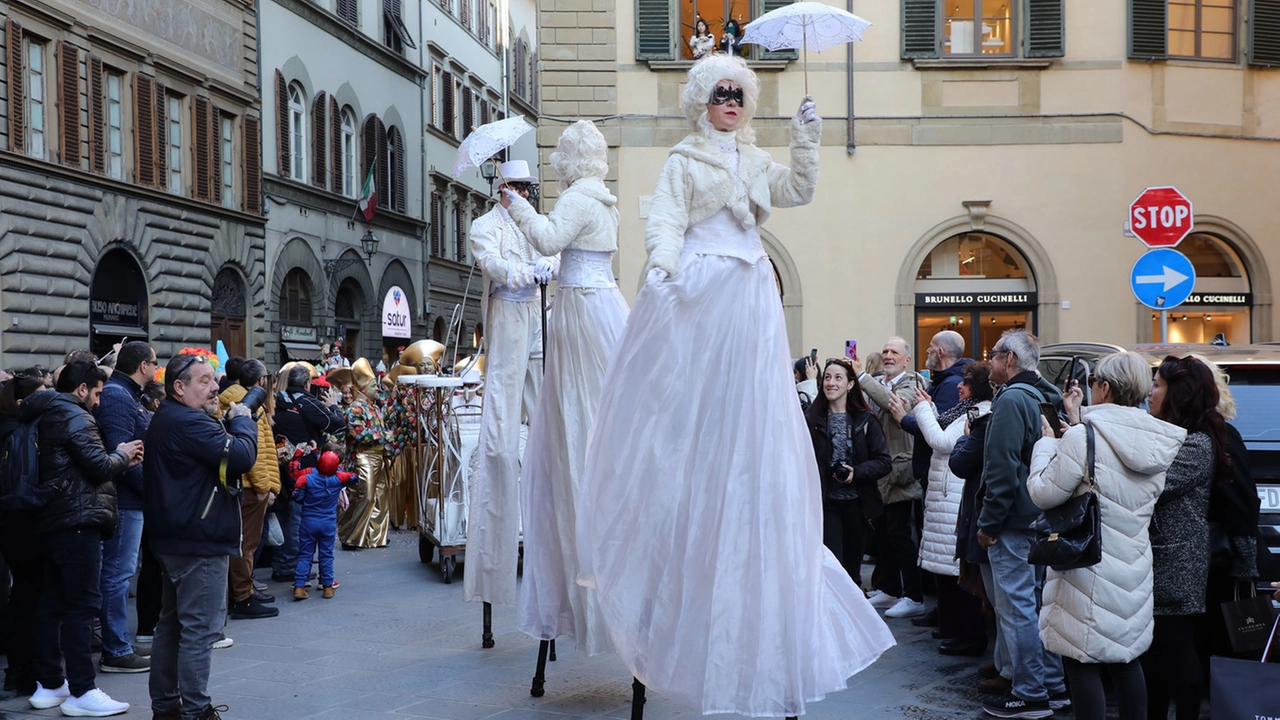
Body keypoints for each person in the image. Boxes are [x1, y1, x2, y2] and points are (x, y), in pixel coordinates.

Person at [576, 53, 894, 716]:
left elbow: (799, 191)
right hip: (702, 285)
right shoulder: (684, 160)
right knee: (693, 418)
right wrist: (663, 267)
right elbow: (662, 220)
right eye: (720, 92)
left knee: (754, 426)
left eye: (738, 93)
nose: (730, 101)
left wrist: (806, 137)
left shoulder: (753, 161)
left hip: (750, 292)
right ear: (701, 99)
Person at [502, 119, 630, 653]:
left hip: (579, 307)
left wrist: (518, 208)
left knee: (577, 411)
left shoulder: (579, 197)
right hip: (603, 301)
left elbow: (551, 239)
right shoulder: (608, 199)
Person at [1028, 352, 1187, 720]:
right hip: (1132, 563)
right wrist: (1076, 422)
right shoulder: (1157, 440)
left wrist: (1047, 444)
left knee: (1081, 659)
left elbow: (1042, 492)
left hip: (1088, 563)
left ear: (1103, 387)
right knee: (1126, 659)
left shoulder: (1083, 438)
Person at [25, 360, 143, 716]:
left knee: (51, 603)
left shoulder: (44, 411)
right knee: (81, 605)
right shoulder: (76, 416)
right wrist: (124, 454)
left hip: (53, 517)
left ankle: (49, 684)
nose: (99, 401)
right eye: (97, 392)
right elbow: (98, 466)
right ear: (81, 390)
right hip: (78, 519)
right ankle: (82, 690)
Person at [144, 352, 258, 720]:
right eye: (205, 381)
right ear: (179, 387)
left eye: (215, 379)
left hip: (175, 535)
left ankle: (166, 707)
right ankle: (196, 710)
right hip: (198, 539)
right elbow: (241, 457)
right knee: (200, 629)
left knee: (173, 624)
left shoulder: (169, 417)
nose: (215, 388)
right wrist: (243, 423)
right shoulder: (190, 423)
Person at [466, 158, 556, 608]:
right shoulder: (484, 225)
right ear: (503, 188)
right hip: (507, 315)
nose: (524, 192)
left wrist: (547, 267)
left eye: (528, 186)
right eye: (517, 185)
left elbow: (552, 248)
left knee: (544, 403)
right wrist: (526, 273)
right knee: (500, 422)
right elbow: (496, 266)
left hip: (538, 317)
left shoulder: (534, 221)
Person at [976, 329, 1069, 718]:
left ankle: (1030, 693)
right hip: (1038, 515)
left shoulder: (1013, 399)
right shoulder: (1043, 395)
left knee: (1017, 610)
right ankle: (1053, 686)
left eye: (995, 355)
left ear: (1010, 361)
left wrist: (989, 524)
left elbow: (1001, 468)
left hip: (1014, 521)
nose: (990, 362)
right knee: (1035, 605)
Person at [1140, 355, 1231, 720]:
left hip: (1177, 560)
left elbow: (1153, 487)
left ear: (1178, 393)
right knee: (1158, 656)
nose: (1150, 392)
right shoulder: (1168, 434)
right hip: (1160, 557)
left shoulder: (1197, 443)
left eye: (1158, 386)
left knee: (1178, 653)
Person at [905, 361, 992, 657]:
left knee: (957, 574)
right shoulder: (962, 411)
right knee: (946, 572)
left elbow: (941, 441)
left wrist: (923, 409)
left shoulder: (979, 412)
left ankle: (966, 634)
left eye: (966, 382)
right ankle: (952, 627)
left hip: (953, 496)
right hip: (945, 497)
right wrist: (930, 408)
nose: (958, 385)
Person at [91, 340, 157, 674]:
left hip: (130, 500)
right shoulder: (118, 395)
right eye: (154, 363)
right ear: (143, 365)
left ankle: (116, 644)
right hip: (125, 501)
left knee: (118, 573)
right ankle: (116, 649)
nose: (156, 369)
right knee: (117, 573)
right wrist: (152, 491)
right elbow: (123, 455)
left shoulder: (123, 393)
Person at [856, 337, 926, 619]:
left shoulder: (912, 384)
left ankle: (914, 596)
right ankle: (890, 589)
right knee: (883, 535)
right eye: (885, 351)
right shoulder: (879, 383)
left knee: (900, 535)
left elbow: (892, 405)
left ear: (906, 360)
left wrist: (861, 376)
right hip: (880, 471)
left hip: (899, 473)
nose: (887, 356)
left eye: (893, 352)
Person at [805, 357, 891, 586]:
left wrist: (857, 472)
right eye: (827, 377)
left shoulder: (866, 420)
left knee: (852, 571)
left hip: (858, 504)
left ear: (850, 384)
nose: (831, 383)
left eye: (838, 378)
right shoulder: (811, 419)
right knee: (831, 566)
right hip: (825, 503)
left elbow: (884, 462)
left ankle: (852, 617)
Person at [218, 359, 280, 620]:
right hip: (250, 487)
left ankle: (244, 591)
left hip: (242, 485)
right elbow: (255, 451)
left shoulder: (231, 399)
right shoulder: (249, 405)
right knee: (247, 544)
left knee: (243, 544)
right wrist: (266, 487)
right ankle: (243, 596)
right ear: (262, 382)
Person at [271, 362, 345, 581]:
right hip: (304, 466)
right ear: (306, 383)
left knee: (286, 515)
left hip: (280, 464)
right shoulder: (306, 402)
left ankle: (282, 562)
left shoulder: (277, 400)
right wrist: (333, 406)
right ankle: (290, 567)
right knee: (298, 518)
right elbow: (338, 425)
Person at [0, 375, 48, 701]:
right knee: (32, 597)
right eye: (43, 397)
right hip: (23, 522)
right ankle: (28, 671)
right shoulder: (19, 433)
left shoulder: (11, 429)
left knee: (21, 597)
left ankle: (18, 671)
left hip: (12, 523)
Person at [337, 358, 394, 549]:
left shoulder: (375, 408)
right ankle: (352, 536)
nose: (377, 389)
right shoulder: (355, 408)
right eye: (373, 385)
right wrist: (384, 435)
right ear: (362, 389)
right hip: (363, 458)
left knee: (380, 496)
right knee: (365, 497)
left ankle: (376, 536)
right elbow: (358, 433)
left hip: (378, 457)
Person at [289, 448, 358, 600]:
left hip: (308, 521)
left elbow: (296, 491)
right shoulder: (338, 479)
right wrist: (336, 470)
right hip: (327, 522)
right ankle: (327, 587)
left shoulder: (307, 477)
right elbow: (353, 477)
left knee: (305, 555)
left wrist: (299, 456)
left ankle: (299, 586)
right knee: (326, 555)